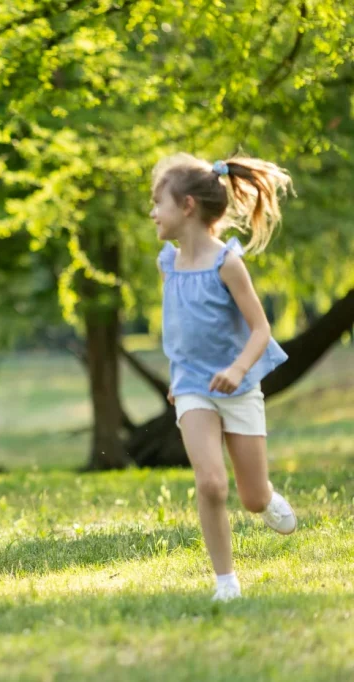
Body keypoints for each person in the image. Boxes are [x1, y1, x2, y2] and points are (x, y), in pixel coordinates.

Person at [151, 154, 297, 602]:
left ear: (188, 206)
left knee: (251, 497)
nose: (152, 212)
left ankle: (266, 497)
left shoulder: (228, 264)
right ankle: (226, 583)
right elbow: (178, 326)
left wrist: (237, 370)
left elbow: (261, 329)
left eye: (159, 202)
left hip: (238, 386)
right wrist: (178, 375)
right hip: (192, 388)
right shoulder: (168, 264)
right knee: (211, 482)